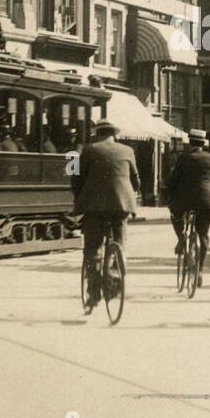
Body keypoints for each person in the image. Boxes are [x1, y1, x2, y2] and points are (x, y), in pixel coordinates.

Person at [71, 120, 140, 313]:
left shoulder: (89, 150)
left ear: (98, 134)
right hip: (121, 205)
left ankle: (93, 293)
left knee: (93, 248)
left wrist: (79, 199)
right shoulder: (128, 151)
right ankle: (116, 274)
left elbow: (76, 178)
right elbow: (136, 180)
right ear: (114, 134)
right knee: (120, 241)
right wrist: (128, 197)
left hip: (94, 206)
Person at [166, 129, 210, 286]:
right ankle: (200, 270)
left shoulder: (184, 158)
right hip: (205, 200)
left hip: (184, 199)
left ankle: (181, 238)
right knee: (203, 234)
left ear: (190, 142)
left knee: (175, 215)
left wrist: (170, 197)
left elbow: (173, 181)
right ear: (203, 144)